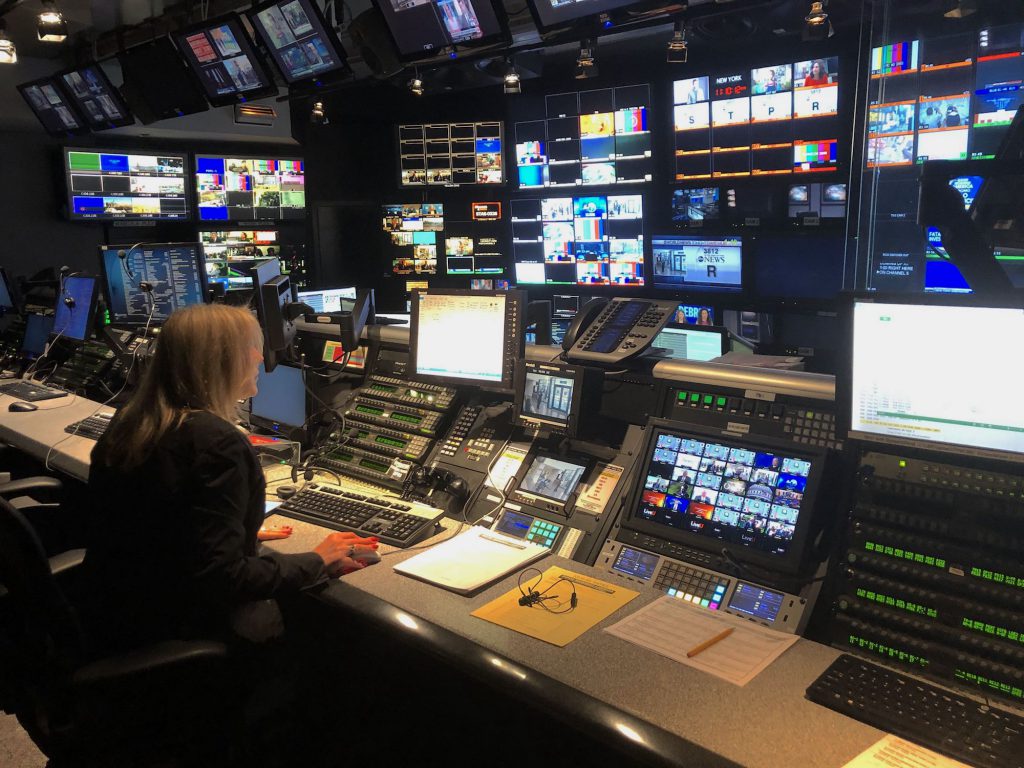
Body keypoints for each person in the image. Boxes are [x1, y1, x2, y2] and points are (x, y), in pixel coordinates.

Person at [83, 304, 378, 653]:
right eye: (247, 348)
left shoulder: (133, 419)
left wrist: (233, 526)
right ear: (215, 362)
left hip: (115, 615)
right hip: (179, 633)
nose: (257, 356)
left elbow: (156, 517)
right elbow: (224, 578)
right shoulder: (216, 443)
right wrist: (317, 558)